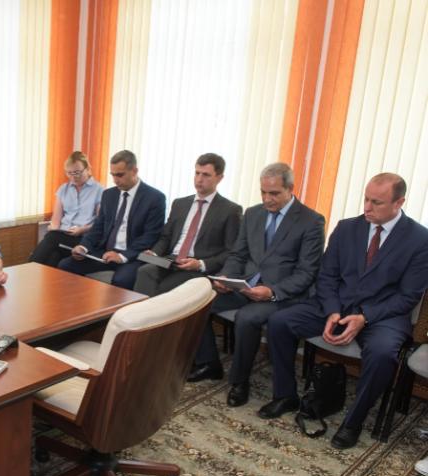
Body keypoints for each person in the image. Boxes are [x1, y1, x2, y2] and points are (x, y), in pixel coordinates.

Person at [265, 173, 428, 449]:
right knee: (280, 321)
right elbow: (327, 276)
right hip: (336, 305)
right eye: (366, 199)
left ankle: (353, 422)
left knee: (382, 354)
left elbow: (408, 296)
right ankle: (285, 395)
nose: (367, 207)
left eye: (377, 202)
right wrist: (332, 311)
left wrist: (365, 317)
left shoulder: (420, 239)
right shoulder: (346, 228)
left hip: (382, 317)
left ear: (399, 202)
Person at [189, 162, 325, 409]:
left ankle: (239, 382)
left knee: (247, 318)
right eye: (263, 192)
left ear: (290, 189)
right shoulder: (253, 214)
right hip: (246, 285)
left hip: (282, 294)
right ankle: (209, 363)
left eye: (274, 193)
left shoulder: (311, 221)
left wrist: (272, 292)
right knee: (199, 302)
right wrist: (227, 276)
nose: (267, 199)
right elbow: (238, 254)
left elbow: (307, 273)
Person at [133, 153, 242, 296]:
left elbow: (230, 251)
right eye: (197, 173)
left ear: (219, 178)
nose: (199, 179)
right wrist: (154, 253)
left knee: (165, 287)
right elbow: (166, 237)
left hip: (196, 267)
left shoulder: (230, 210)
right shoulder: (180, 203)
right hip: (171, 261)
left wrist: (201, 264)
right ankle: (141, 310)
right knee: (144, 271)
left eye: (206, 175)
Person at [57, 150, 165, 290]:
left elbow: (150, 236)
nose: (115, 180)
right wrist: (83, 247)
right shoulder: (109, 194)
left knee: (121, 280)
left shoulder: (154, 198)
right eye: (112, 175)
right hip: (105, 252)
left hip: (131, 255)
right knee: (65, 265)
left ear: (134, 171)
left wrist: (122, 256)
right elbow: (98, 227)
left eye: (120, 175)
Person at [30, 151, 104, 267]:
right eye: (69, 173)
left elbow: (101, 223)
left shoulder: (99, 190)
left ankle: (29, 267)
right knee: (53, 257)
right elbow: (56, 221)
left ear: (87, 169)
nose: (73, 177)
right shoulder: (63, 189)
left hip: (84, 239)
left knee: (52, 237)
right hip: (63, 235)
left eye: (77, 172)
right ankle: (35, 274)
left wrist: (82, 229)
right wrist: (54, 228)